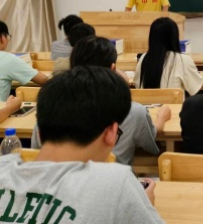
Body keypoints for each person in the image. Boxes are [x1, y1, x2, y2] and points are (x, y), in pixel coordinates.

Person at [0, 66, 164, 223]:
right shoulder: (116, 183)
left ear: (39, 133)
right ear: (111, 134)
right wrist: (143, 206)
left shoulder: (3, 167)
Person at [32, 36, 170, 166]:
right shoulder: (133, 111)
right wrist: (162, 118)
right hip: (115, 180)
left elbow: (36, 152)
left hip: (59, 180)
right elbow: (150, 138)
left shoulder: (50, 107)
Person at [135, 17, 203, 95]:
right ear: (174, 37)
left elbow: (137, 85)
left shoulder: (143, 58)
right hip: (173, 103)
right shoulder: (183, 60)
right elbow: (195, 88)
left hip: (145, 103)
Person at [0, 21, 48, 101]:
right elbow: (45, 81)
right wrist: (34, 72)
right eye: (8, 37)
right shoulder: (9, 59)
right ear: (2, 38)